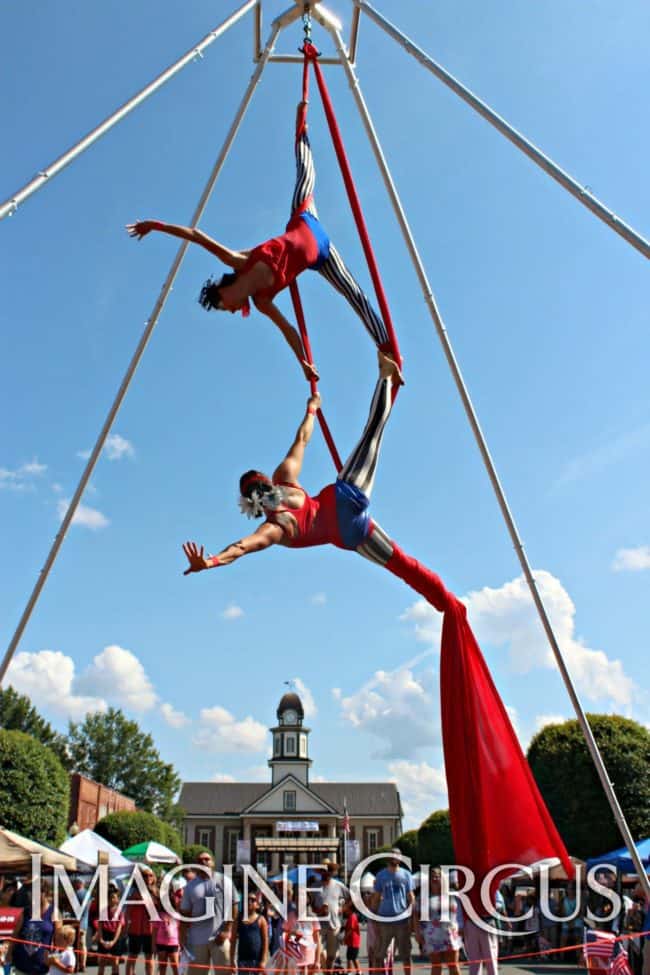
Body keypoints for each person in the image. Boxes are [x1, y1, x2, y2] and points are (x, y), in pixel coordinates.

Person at [127, 103, 402, 384]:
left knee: (306, 172)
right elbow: (289, 330)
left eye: (225, 306)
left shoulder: (238, 261)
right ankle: (385, 349)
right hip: (321, 255)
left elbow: (196, 235)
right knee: (353, 293)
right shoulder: (262, 301)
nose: (232, 310)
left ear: (224, 290)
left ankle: (301, 131)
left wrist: (156, 226)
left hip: (304, 217)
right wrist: (304, 363)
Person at [181, 351, 448, 623]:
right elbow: (302, 439)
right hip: (345, 497)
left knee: (402, 565)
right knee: (371, 434)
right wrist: (312, 407)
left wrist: (211, 562)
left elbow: (241, 547)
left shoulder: (273, 528)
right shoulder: (283, 481)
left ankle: (448, 605)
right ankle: (384, 376)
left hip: (350, 534)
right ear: (266, 482)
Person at [180, 852, 238, 975]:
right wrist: (182, 938)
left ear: (213, 862)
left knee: (225, 973)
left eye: (207, 859)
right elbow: (185, 914)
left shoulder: (224, 881)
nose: (204, 862)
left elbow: (234, 905)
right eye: (200, 860)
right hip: (197, 940)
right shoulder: (190, 887)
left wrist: (227, 930)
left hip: (220, 938)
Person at [372, 852, 414, 975]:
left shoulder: (406, 875)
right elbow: (376, 897)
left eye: (397, 855)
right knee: (379, 955)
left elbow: (411, 897)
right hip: (384, 920)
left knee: (405, 955)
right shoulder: (381, 875)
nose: (395, 857)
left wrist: (413, 919)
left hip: (402, 921)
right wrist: (373, 917)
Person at [414, 869, 463, 975]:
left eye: (438, 876)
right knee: (436, 967)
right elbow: (416, 916)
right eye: (432, 877)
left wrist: (463, 928)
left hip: (450, 934)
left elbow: (460, 912)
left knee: (453, 965)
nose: (435, 879)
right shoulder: (422, 898)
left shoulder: (452, 895)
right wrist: (417, 933)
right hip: (432, 936)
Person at [12, 881, 61, 975]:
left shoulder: (53, 912)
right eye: (31, 893)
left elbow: (59, 938)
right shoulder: (25, 912)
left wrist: (55, 957)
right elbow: (15, 935)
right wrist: (8, 954)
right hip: (22, 966)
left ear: (45, 893)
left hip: (42, 968)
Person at [312, 863, 349, 973]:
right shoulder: (314, 886)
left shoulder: (338, 885)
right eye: (325, 870)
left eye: (330, 870)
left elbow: (351, 898)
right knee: (319, 952)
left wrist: (343, 908)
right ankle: (326, 971)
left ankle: (328, 971)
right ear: (321, 872)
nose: (327, 873)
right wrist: (319, 910)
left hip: (334, 925)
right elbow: (310, 904)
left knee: (332, 956)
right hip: (319, 925)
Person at [125, 867, 157, 975]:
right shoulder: (134, 892)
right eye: (145, 875)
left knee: (149, 957)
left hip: (151, 930)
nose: (148, 878)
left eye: (150, 875)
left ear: (154, 878)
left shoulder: (157, 893)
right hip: (135, 930)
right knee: (132, 957)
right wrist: (125, 928)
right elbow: (127, 912)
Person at [230, 893, 268, 973]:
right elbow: (233, 940)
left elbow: (265, 942)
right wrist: (231, 960)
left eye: (253, 900)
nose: (249, 902)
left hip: (256, 961)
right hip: (242, 961)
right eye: (247, 900)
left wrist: (263, 960)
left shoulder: (261, 920)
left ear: (257, 905)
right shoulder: (238, 919)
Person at [96, 889, 126, 975]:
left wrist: (113, 941)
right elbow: (100, 927)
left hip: (114, 937)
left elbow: (119, 928)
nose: (112, 899)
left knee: (115, 961)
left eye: (114, 897)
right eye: (110, 898)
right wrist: (101, 940)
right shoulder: (103, 911)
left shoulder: (120, 912)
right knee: (102, 961)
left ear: (118, 899)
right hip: (105, 935)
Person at [343, 904, 361, 975]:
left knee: (353, 957)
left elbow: (351, 929)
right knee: (350, 957)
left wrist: (344, 938)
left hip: (354, 941)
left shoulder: (352, 917)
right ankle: (350, 971)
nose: (345, 910)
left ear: (350, 909)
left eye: (347, 908)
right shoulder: (351, 916)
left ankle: (358, 971)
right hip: (351, 941)